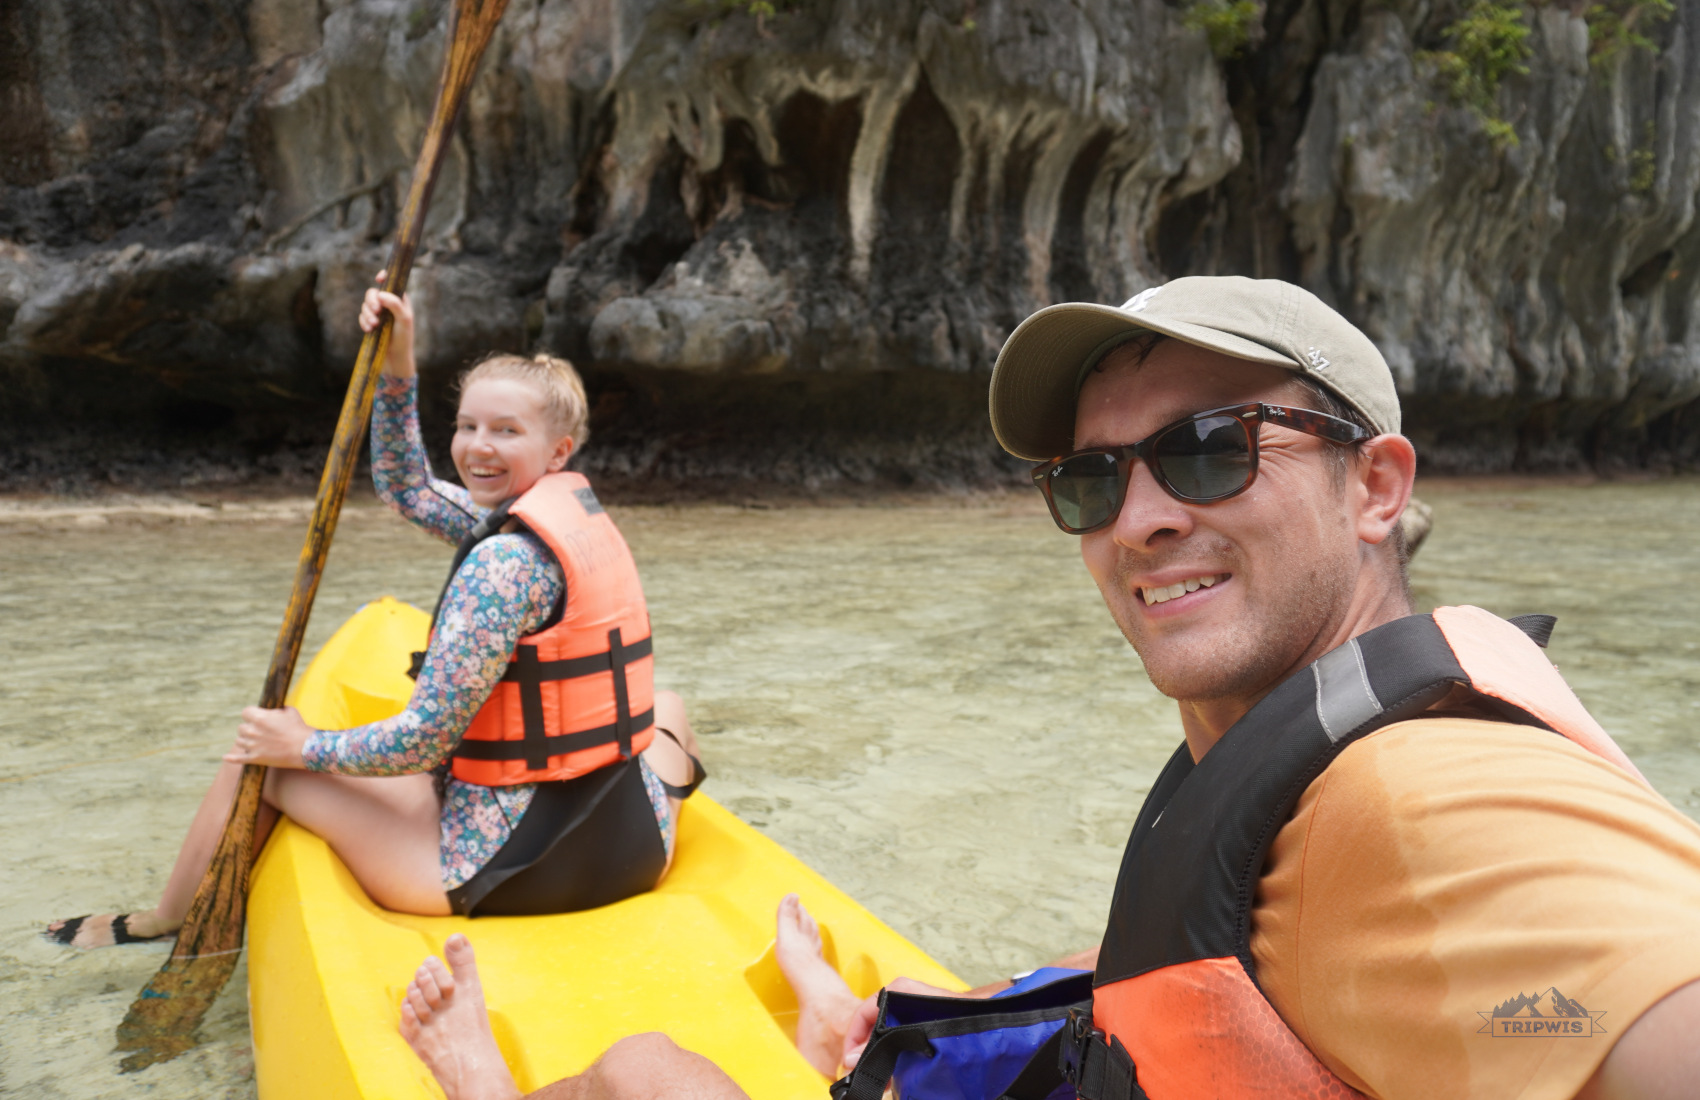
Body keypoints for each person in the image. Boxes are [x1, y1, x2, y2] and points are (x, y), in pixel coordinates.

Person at [386, 276, 1700, 1100]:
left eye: (1206, 451)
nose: (1137, 521)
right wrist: (912, 1019)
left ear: (1377, 487)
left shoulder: (1431, 801)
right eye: (1089, 479)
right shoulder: (1314, 759)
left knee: (645, 1075)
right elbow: (1217, 969)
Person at [45, 277, 705, 947]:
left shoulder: (501, 566)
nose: (478, 445)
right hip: (635, 849)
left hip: (507, 871)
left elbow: (422, 743)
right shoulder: (575, 522)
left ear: (558, 450)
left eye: (506, 431)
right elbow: (406, 486)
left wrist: (298, 745)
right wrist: (399, 362)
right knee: (667, 704)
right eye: (468, 425)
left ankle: (163, 921)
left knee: (255, 757)